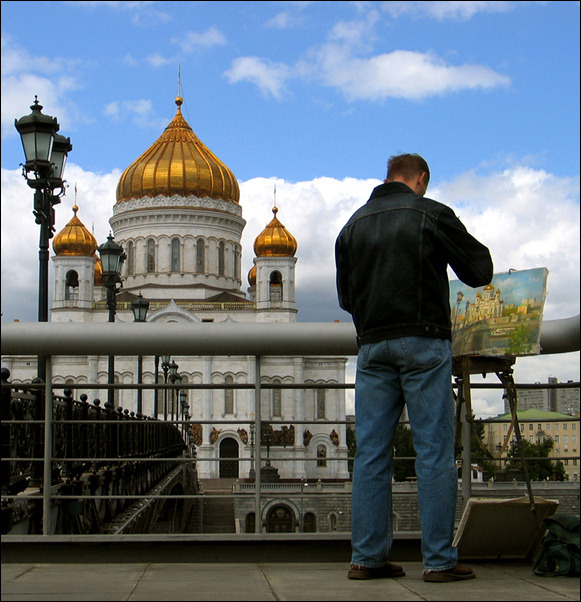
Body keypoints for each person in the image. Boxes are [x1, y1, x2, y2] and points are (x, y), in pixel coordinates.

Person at [335, 154, 493, 583]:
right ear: (420, 179)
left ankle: (367, 559)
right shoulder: (432, 214)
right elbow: (480, 271)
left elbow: (347, 299)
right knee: (434, 453)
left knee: (370, 454)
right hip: (424, 343)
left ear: (387, 178)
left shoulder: (351, 225)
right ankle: (439, 561)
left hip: (372, 349)